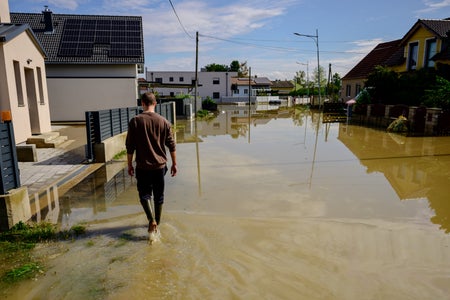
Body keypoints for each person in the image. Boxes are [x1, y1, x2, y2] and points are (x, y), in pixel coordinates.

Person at [126, 92, 177, 234]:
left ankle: (151, 220)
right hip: (160, 167)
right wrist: (174, 163)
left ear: (142, 103)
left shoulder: (135, 121)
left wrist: (129, 164)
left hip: (143, 167)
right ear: (155, 104)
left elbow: (130, 146)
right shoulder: (164, 121)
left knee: (144, 194)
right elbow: (171, 145)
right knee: (159, 196)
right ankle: (157, 225)